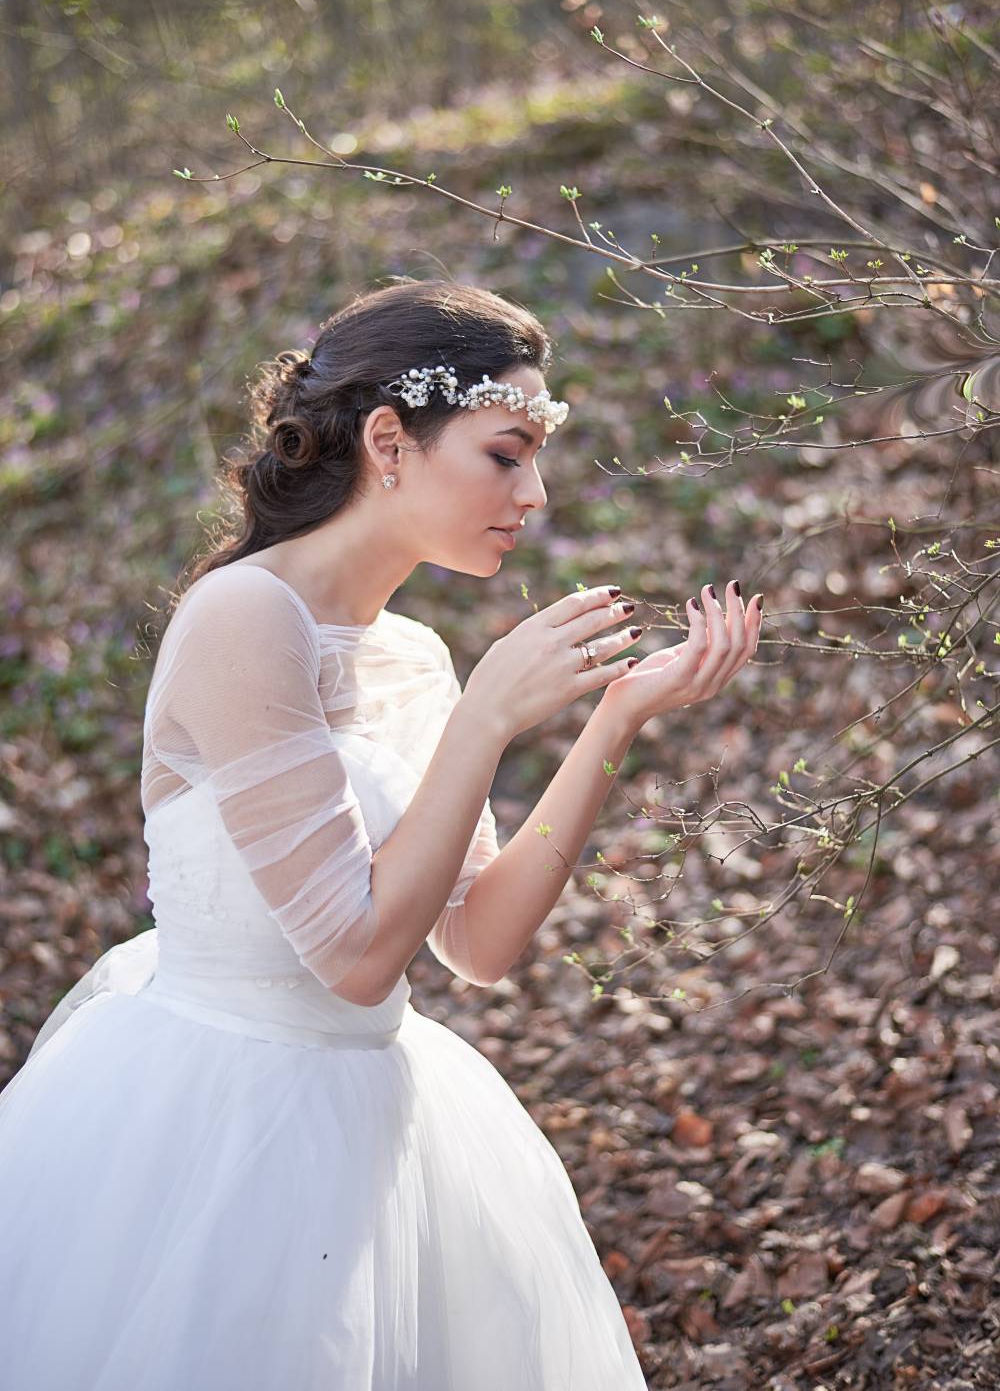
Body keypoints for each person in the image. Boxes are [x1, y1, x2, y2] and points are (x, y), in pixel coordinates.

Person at [0, 278, 762, 1389]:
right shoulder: (243, 617)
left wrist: (617, 717)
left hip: (383, 1119)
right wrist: (488, 717)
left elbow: (478, 941)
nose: (535, 493)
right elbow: (356, 957)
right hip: (214, 1121)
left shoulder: (413, 655)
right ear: (389, 442)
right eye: (505, 454)